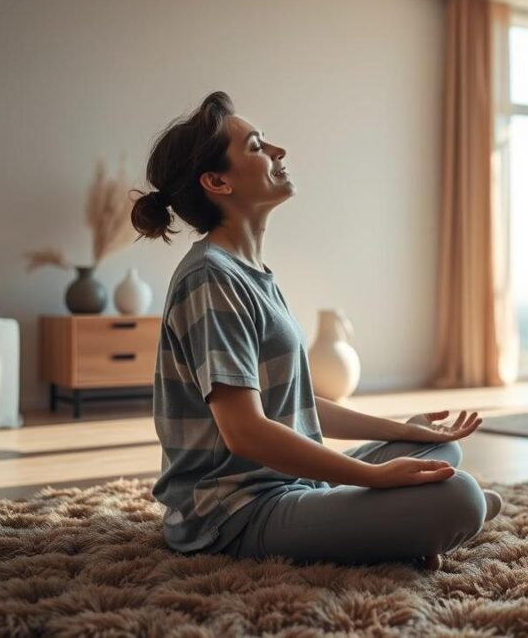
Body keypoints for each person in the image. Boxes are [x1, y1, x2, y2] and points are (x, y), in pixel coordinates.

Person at [131, 91, 501, 570]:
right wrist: (378, 480)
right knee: (460, 497)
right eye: (257, 146)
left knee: (434, 448)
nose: (277, 152)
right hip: (233, 514)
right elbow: (244, 432)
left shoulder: (251, 272)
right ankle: (430, 520)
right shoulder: (211, 279)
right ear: (217, 181)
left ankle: (404, 525)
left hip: (292, 485)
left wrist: (403, 429)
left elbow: (297, 402)